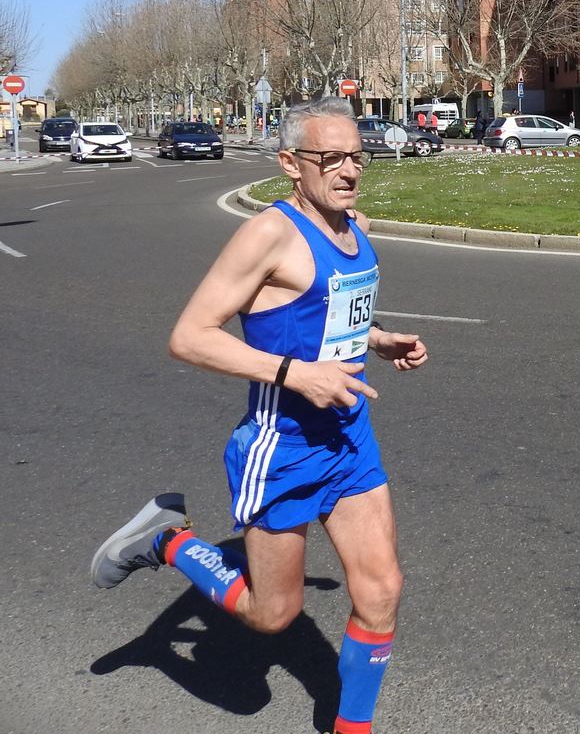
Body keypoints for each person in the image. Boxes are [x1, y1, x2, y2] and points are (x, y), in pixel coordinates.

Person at [89, 97, 429, 734]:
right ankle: (167, 540)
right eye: (330, 158)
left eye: (357, 156)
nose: (349, 170)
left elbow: (324, 311)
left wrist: (376, 339)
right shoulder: (269, 232)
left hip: (349, 437)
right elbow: (190, 335)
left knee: (381, 591)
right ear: (289, 164)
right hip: (285, 446)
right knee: (274, 617)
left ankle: (352, 729)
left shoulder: (350, 223)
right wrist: (296, 375)